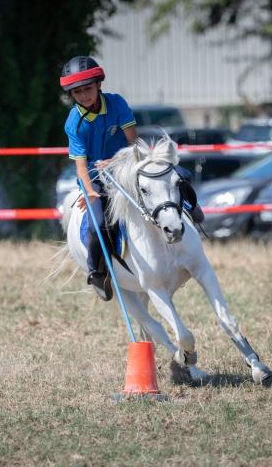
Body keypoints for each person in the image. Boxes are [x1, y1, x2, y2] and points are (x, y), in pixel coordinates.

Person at [60, 56, 204, 300]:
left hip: (127, 166)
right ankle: (97, 272)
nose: (84, 96)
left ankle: (193, 209)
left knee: (180, 176)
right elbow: (81, 167)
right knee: (97, 222)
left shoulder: (117, 104)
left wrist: (116, 162)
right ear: (71, 95)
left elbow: (133, 143)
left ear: (98, 85)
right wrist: (89, 190)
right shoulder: (74, 123)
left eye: (88, 89)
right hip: (95, 179)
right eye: (77, 92)